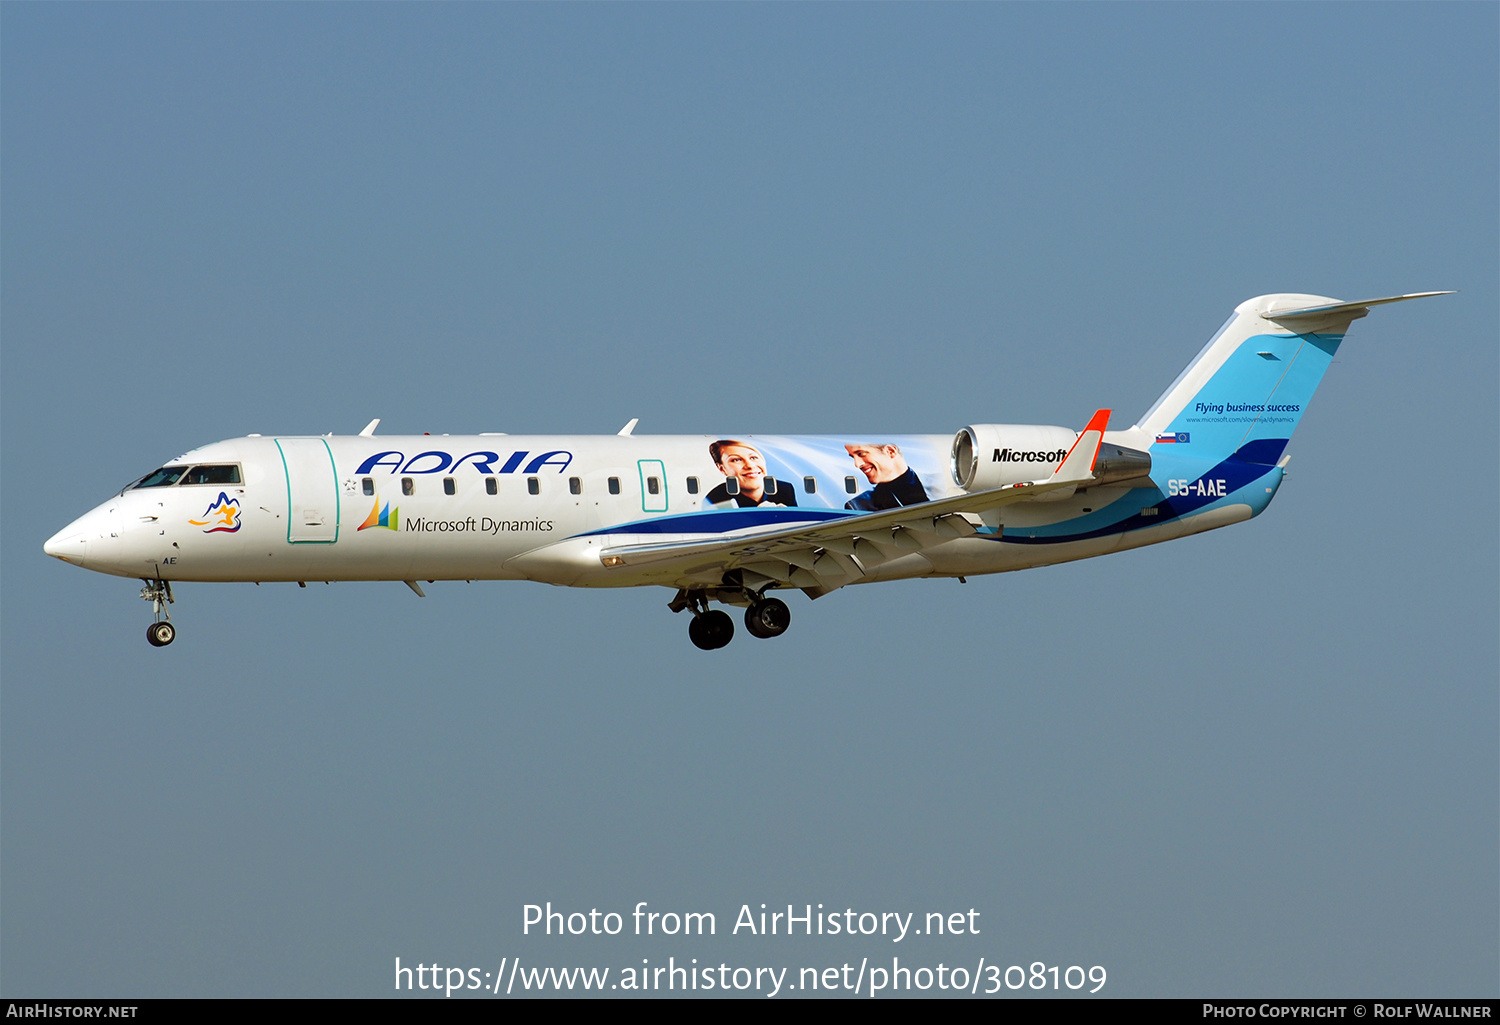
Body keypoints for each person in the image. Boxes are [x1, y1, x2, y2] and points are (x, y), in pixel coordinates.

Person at [702, 440, 798, 508]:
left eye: (753, 457)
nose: (750, 466)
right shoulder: (715, 499)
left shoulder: (785, 489)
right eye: (736, 460)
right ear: (722, 468)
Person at [844, 442, 929, 510]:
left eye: (861, 454)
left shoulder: (940, 483)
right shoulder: (859, 506)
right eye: (853, 457)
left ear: (890, 451)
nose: (857, 464)